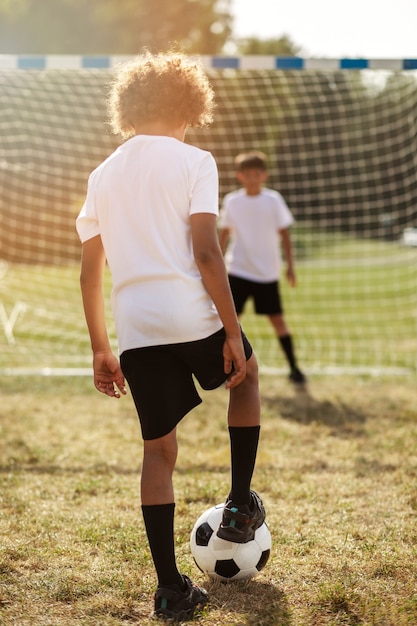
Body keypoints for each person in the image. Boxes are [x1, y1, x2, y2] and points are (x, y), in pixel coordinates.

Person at [76, 52, 265, 623]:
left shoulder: (102, 173)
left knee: (158, 452)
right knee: (247, 376)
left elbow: (89, 271)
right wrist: (231, 332)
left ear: (128, 107)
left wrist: (101, 348)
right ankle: (237, 505)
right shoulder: (195, 161)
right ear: (190, 103)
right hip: (191, 314)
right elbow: (207, 252)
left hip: (137, 330)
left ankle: (169, 591)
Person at [219, 151, 306, 385]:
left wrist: (290, 266)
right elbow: (224, 234)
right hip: (237, 270)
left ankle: (294, 368)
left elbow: (285, 234)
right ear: (240, 176)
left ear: (264, 175)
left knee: (277, 320)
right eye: (248, 174)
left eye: (257, 174)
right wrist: (217, 264)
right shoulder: (232, 201)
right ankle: (222, 369)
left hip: (266, 272)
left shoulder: (273, 200)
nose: (252, 178)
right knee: (228, 321)